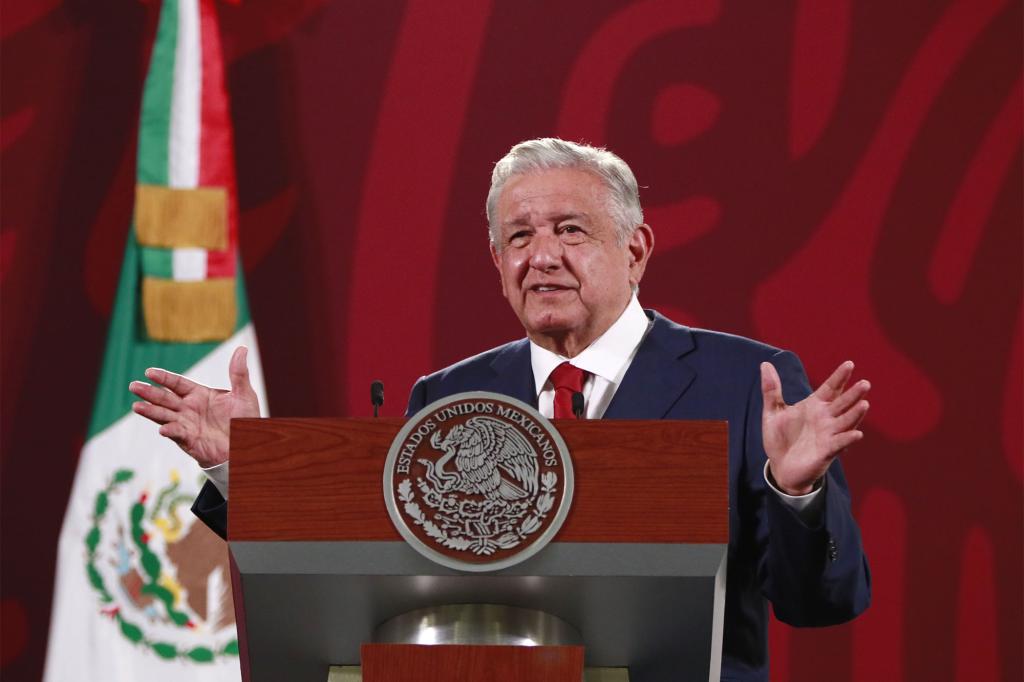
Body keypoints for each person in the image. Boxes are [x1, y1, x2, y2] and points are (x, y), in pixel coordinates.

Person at [129, 138, 871, 680]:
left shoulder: (745, 382)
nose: (540, 256)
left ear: (637, 249)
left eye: (569, 230)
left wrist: (795, 493)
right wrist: (244, 468)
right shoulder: (447, 399)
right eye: (518, 237)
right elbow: (356, 566)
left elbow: (820, 604)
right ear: (497, 263)